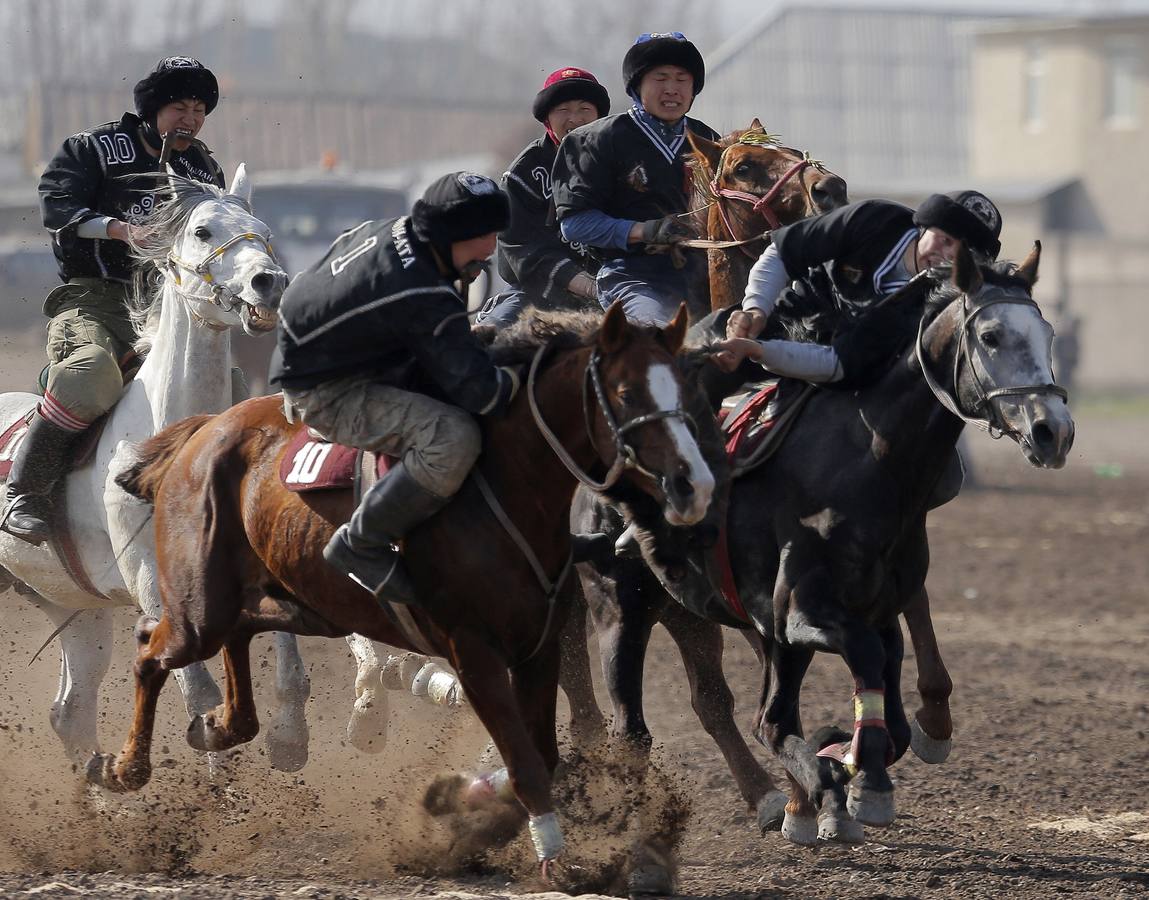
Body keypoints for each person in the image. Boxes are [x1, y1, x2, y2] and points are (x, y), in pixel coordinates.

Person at [2, 56, 226, 544]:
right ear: (152, 110)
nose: (190, 119)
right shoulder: (93, 148)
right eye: (180, 108)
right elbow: (56, 206)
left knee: (229, 384)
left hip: (164, 307)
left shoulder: (203, 167)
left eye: (199, 110)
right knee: (91, 374)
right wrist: (121, 230)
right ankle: (26, 493)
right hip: (92, 298)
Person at [269, 172, 521, 605]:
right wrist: (525, 373)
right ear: (455, 233)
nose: (492, 248)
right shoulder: (421, 291)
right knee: (454, 437)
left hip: (337, 355)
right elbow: (485, 394)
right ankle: (361, 542)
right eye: (487, 235)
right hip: (328, 390)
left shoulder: (395, 229)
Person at [715, 190, 1004, 382]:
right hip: (788, 315)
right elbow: (784, 251)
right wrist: (756, 310)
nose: (948, 256)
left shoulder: (935, 309)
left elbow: (839, 363)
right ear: (925, 226)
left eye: (963, 255)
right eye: (945, 240)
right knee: (704, 350)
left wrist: (759, 351)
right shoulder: (874, 218)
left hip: (848, 378)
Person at [550, 32, 720, 326]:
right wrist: (644, 231)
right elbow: (574, 224)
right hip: (633, 276)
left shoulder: (710, 141)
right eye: (660, 78)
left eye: (682, 80)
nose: (672, 89)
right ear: (636, 85)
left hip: (706, 274)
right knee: (659, 335)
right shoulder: (595, 139)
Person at [478, 67, 611, 328]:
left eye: (585, 109)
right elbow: (519, 245)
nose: (575, 119)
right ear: (547, 119)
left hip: (616, 286)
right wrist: (583, 284)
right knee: (495, 335)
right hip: (539, 292)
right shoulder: (523, 173)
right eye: (563, 110)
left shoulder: (620, 161)